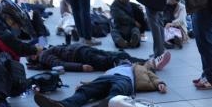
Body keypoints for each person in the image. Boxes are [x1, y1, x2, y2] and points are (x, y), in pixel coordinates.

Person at [33, 57, 166, 107]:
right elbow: (97, 80)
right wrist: (86, 84)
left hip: (124, 80)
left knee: (118, 89)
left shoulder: (139, 67)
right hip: (105, 78)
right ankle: (62, 105)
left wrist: (160, 83)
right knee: (85, 91)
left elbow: (153, 77)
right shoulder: (112, 69)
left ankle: (107, 103)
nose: (124, 61)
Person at [30, 42, 170, 71]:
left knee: (119, 54)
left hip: (83, 50)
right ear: (34, 56)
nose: (37, 45)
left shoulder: (46, 51)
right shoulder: (44, 56)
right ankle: (149, 65)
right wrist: (81, 67)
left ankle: (148, 62)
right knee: (111, 60)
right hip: (80, 55)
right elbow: (59, 65)